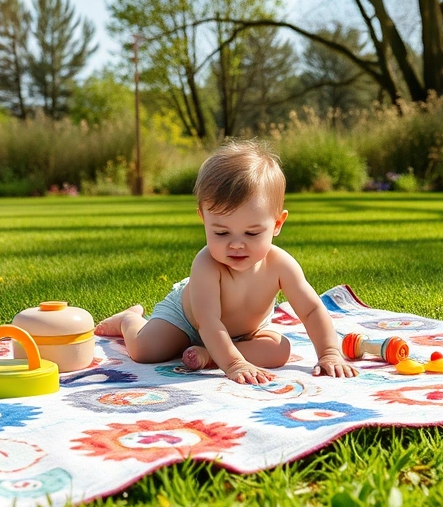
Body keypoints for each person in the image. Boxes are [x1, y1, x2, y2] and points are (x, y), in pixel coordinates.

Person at [95, 140, 359, 384]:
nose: (236, 244)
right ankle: (129, 320)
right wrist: (234, 364)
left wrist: (329, 352)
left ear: (277, 224)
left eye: (252, 233)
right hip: (188, 320)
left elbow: (311, 310)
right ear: (204, 219)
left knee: (280, 350)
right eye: (221, 233)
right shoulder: (207, 264)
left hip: (244, 333)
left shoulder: (281, 265)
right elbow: (207, 322)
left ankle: (208, 355)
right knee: (146, 350)